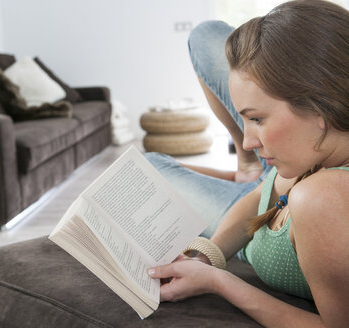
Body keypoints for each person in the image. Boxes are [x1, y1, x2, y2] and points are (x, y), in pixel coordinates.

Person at [145, 1, 349, 326]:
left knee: (148, 169)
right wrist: (206, 255)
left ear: (317, 108)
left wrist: (218, 281)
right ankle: (248, 169)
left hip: (289, 199)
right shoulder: (321, 150)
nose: (247, 141)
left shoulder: (324, 199)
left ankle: (248, 170)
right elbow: (260, 197)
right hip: (275, 178)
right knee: (206, 35)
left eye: (256, 118)